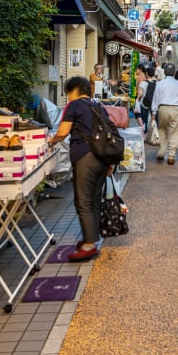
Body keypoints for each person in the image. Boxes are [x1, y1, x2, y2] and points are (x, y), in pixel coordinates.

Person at [48, 77, 112, 261]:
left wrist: (51, 141)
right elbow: (107, 133)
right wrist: (109, 162)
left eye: (69, 93)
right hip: (102, 157)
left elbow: (63, 132)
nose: (68, 97)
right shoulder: (98, 105)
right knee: (94, 199)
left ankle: (89, 245)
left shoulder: (74, 105)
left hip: (85, 156)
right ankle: (91, 238)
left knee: (83, 201)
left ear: (75, 91)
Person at [150, 63, 178, 164]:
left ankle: (161, 152)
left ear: (164, 72)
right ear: (174, 72)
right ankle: (171, 155)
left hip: (162, 108)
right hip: (175, 108)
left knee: (162, 129)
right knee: (175, 131)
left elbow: (155, 98)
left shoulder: (160, 83)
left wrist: (153, 112)